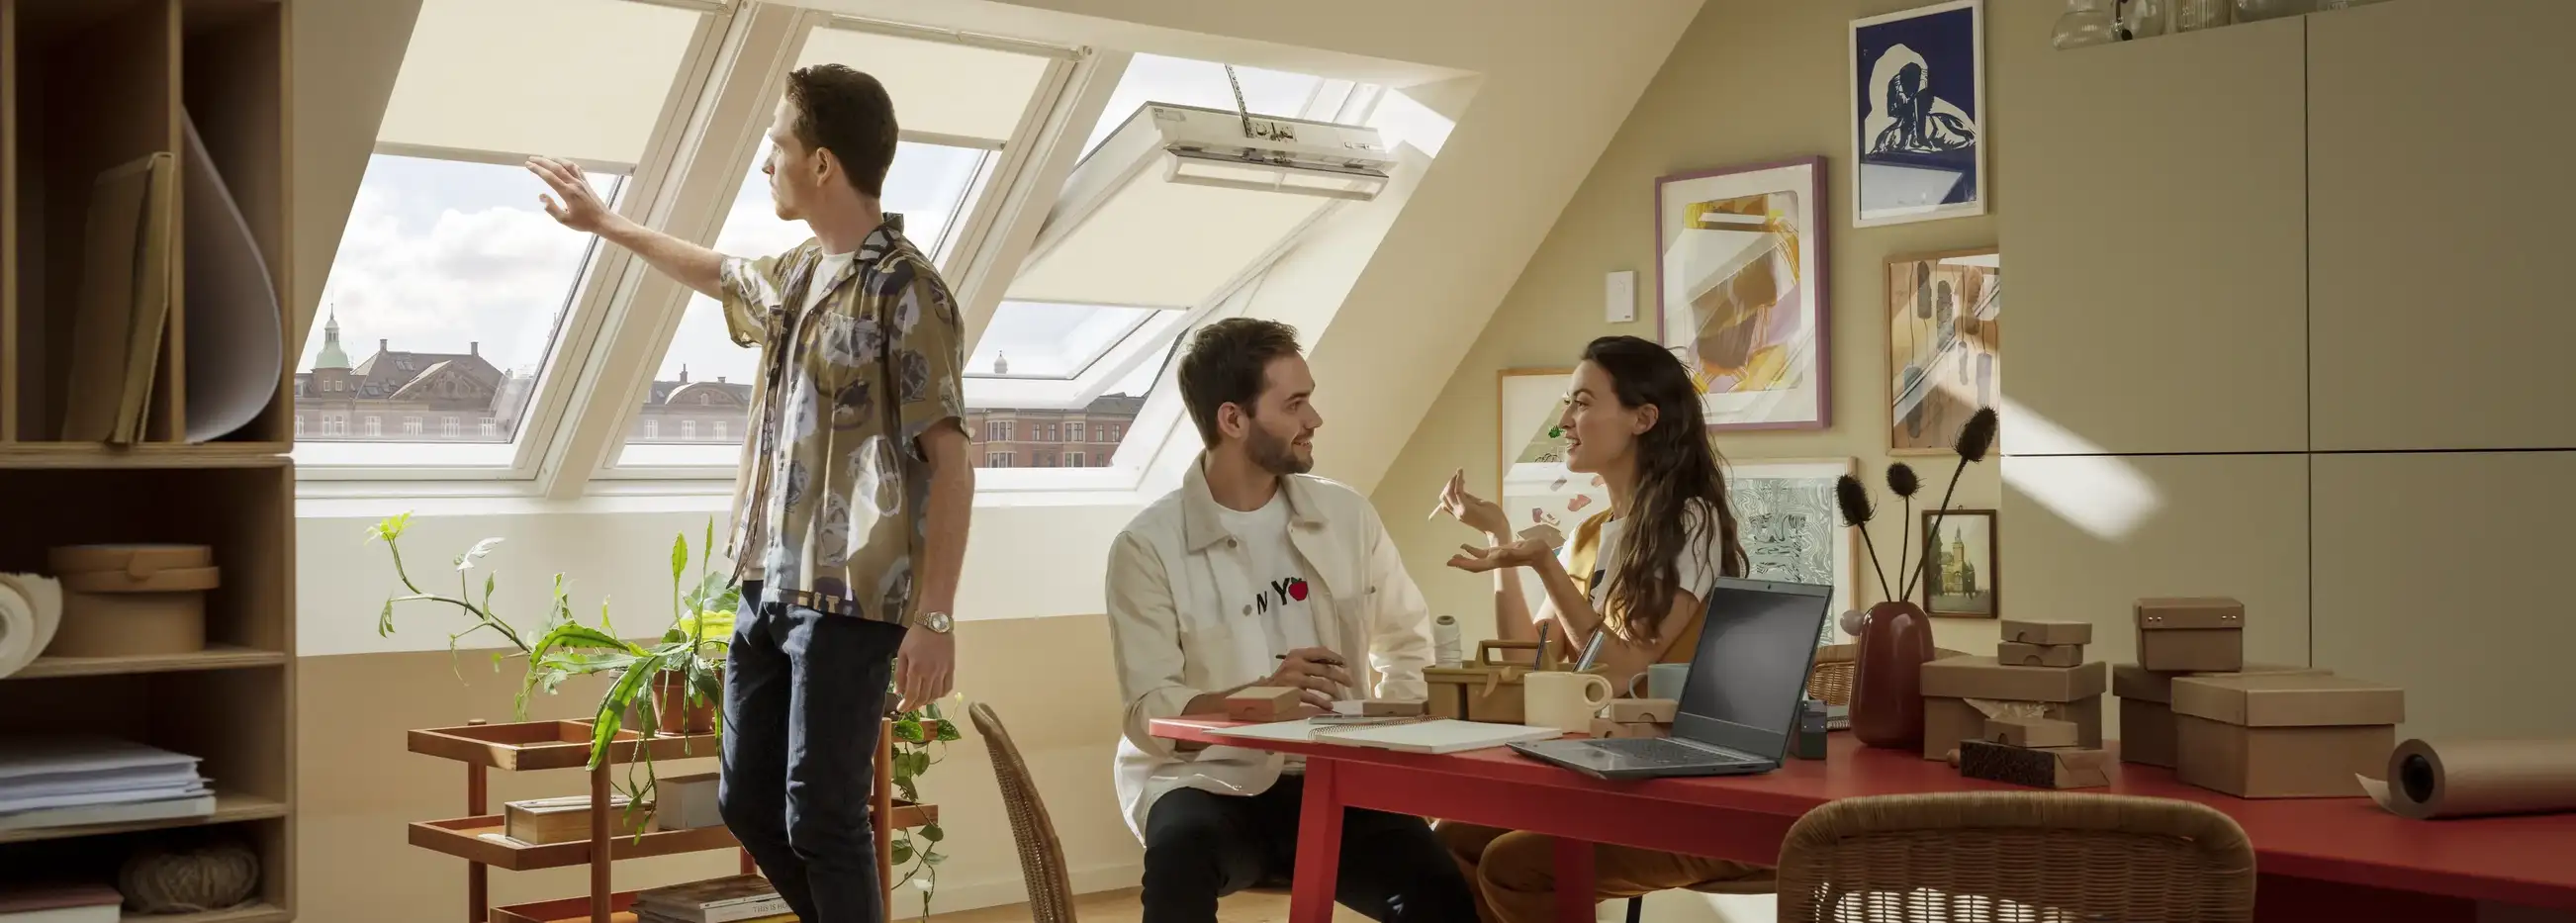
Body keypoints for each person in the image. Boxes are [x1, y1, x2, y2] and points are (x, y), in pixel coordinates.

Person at [528, 64, 971, 923]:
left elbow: (950, 463)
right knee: (747, 802)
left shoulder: (908, 289)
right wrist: (605, 222)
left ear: (822, 165)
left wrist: (937, 617)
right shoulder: (802, 271)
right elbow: (719, 272)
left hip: (851, 600)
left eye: (777, 143)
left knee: (823, 816)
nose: (765, 159)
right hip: (765, 584)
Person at [1104, 319, 1478, 923]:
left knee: (1440, 896)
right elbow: (1148, 713)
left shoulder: (1347, 516)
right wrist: (1257, 700)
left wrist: (1393, 750)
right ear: (1233, 419)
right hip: (1210, 784)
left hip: (1344, 782)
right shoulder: (1146, 547)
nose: (1315, 419)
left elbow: (1409, 644)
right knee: (1178, 858)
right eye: (1296, 403)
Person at [1429, 334, 1764, 923]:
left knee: (1515, 865)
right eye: (1567, 403)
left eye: (1581, 403)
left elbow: (1616, 668)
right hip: (1600, 768)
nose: (1564, 421)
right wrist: (1500, 539)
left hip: (1672, 786)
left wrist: (1542, 563)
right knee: (1450, 839)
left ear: (1643, 418)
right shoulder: (1591, 534)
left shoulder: (1691, 522)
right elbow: (1528, 659)